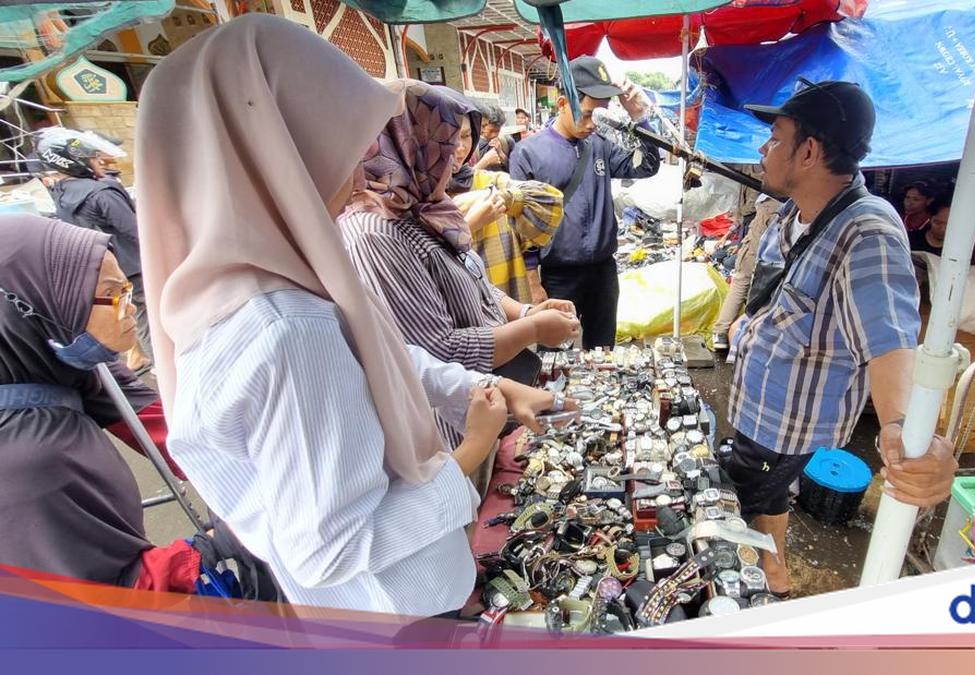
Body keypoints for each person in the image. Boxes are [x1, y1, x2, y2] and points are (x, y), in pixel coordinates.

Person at [134, 14, 563, 616]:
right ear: (277, 149)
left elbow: (373, 355)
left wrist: (479, 388)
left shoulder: (244, 280)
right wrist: (470, 451)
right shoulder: (283, 330)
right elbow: (333, 550)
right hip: (392, 612)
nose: (362, 173)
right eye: (343, 146)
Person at [727, 81, 957, 596]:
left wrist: (904, 429)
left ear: (808, 151)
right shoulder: (796, 210)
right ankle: (776, 573)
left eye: (775, 138)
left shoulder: (867, 231)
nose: (763, 150)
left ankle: (772, 588)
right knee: (767, 500)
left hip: (783, 422)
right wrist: (744, 326)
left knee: (754, 502)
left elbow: (891, 337)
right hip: (760, 406)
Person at [338, 80, 580, 462]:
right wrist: (532, 329)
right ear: (406, 144)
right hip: (454, 427)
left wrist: (529, 312)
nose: (458, 158)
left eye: (459, 143)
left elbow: (476, 287)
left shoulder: (425, 207)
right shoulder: (376, 232)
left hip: (489, 402)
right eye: (445, 144)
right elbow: (438, 350)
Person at [0, 214, 196, 590]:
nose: (129, 306)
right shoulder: (28, 467)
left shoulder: (63, 365)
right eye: (110, 293)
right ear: (37, 307)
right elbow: (116, 596)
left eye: (126, 286)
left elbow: (170, 430)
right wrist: (218, 553)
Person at [509, 56, 663, 347]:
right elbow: (519, 228)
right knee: (555, 356)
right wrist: (534, 283)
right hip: (558, 276)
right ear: (563, 103)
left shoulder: (600, 146)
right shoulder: (528, 153)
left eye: (599, 116)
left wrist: (640, 118)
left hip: (603, 272)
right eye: (588, 113)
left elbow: (647, 166)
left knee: (603, 351)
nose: (594, 124)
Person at [37, 128, 153, 372]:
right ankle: (164, 365)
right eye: (93, 158)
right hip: (134, 269)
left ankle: (136, 356)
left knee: (126, 313)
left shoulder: (62, 193)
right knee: (145, 317)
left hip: (105, 272)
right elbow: (136, 231)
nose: (99, 162)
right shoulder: (101, 193)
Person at [440, 89, 565, 304]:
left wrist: (504, 198)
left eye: (466, 136)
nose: (459, 148)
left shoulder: (490, 183)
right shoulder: (409, 203)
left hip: (508, 304)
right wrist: (466, 226)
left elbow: (551, 202)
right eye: (448, 138)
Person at [711, 194, 782, 351]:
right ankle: (746, 333)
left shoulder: (770, 202)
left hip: (768, 214)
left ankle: (723, 331)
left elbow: (746, 210)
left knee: (742, 281)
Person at [474, 103, 512, 172]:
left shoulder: (507, 142)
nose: (494, 135)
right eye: (491, 131)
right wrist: (485, 161)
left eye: (497, 131)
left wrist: (502, 155)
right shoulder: (472, 145)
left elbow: (516, 169)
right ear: (483, 125)